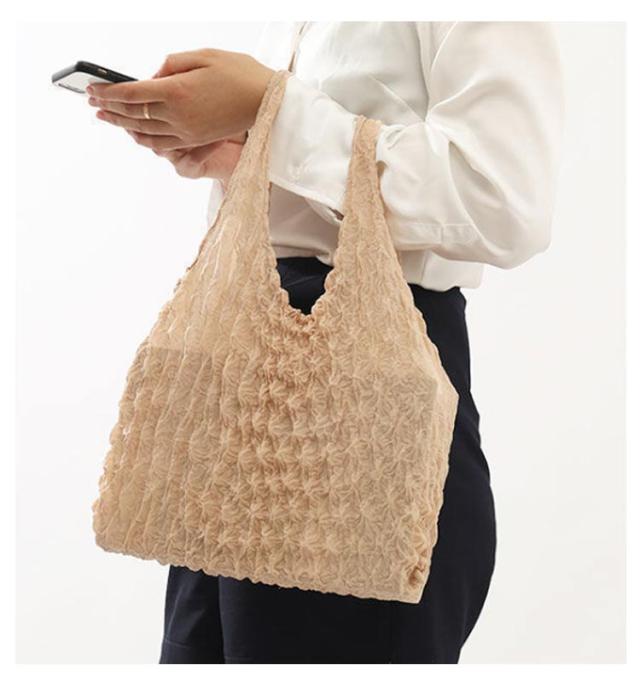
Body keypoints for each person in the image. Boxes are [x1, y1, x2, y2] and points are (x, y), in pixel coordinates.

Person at [86, 21, 564, 664]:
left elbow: (503, 199)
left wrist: (273, 110)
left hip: (369, 400)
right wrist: (247, 149)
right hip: (241, 385)